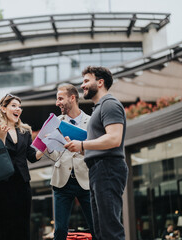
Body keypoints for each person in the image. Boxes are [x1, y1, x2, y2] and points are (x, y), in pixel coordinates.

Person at [65, 66, 128, 240]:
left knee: (110, 228)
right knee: (100, 230)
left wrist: (83, 145)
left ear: (100, 82)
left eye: (86, 81)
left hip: (107, 168)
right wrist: (79, 147)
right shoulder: (99, 108)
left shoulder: (109, 104)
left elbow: (114, 139)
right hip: (98, 169)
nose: (82, 85)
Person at [41, 83, 94, 240]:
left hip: (86, 180)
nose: (57, 103)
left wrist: (79, 148)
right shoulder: (54, 122)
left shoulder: (91, 122)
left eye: (60, 98)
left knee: (96, 226)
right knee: (60, 231)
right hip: (62, 182)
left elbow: (96, 151)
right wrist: (47, 144)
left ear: (72, 98)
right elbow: (53, 153)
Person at [0, 94, 44, 240]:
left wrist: (46, 146)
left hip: (22, 184)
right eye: (14, 105)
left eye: (19, 107)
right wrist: (1, 137)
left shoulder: (25, 131)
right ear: (3, 109)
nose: (18, 109)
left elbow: (32, 157)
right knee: (3, 229)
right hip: (1, 185)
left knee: (23, 227)